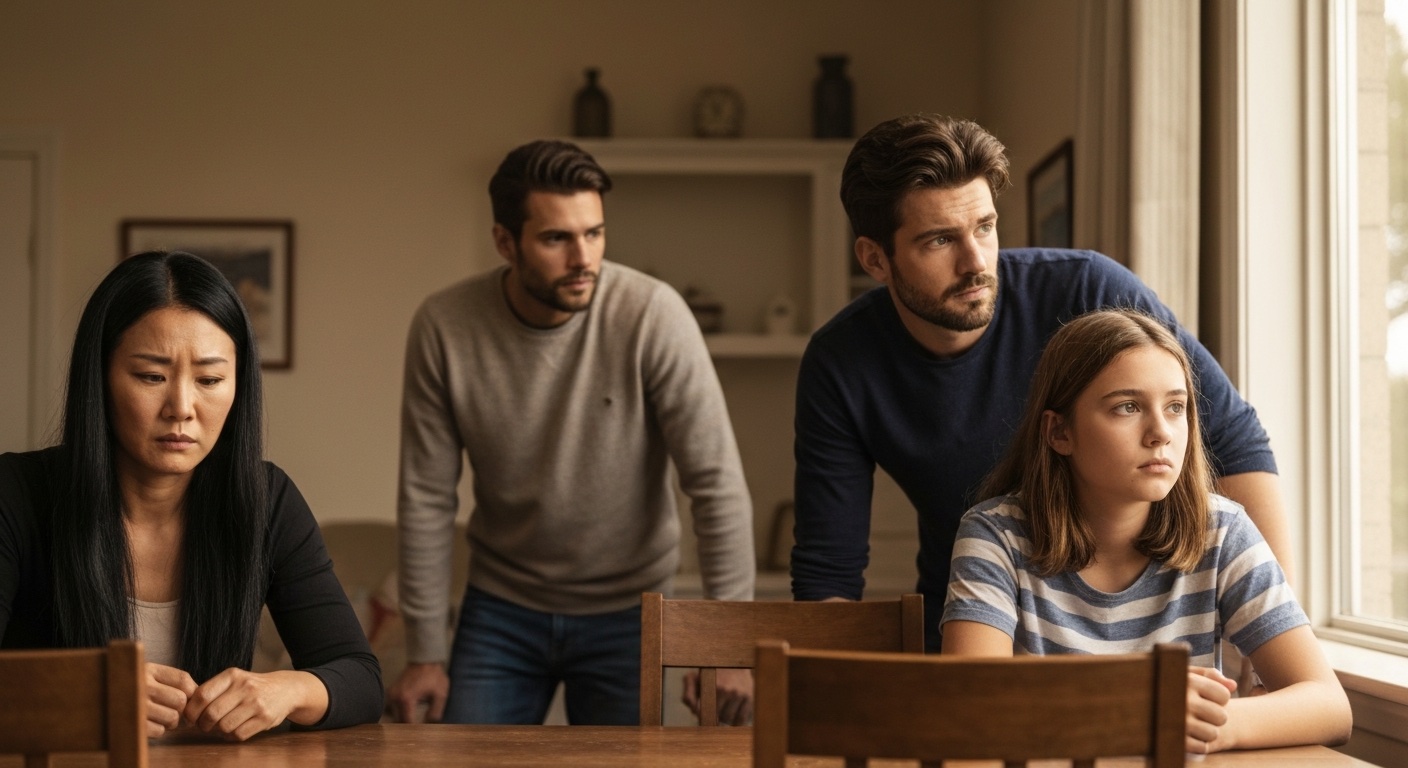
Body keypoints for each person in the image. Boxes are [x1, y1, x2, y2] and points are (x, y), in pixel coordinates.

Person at [790, 114, 1287, 648]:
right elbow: (828, 579)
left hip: (1135, 638)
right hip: (970, 628)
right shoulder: (841, 362)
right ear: (875, 258)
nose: (975, 262)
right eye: (938, 241)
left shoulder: (1089, 290)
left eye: (985, 226)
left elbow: (1234, 442)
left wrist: (1263, 646)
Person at [388, 139, 755, 726]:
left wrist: (726, 643)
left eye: (595, 233)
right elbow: (427, 498)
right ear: (506, 243)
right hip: (502, 605)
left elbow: (716, 484)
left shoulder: (653, 315)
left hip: (632, 610)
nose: (584, 258)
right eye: (557, 238)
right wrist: (425, 652)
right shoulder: (444, 326)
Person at [0, 251, 383, 740]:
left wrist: (287, 690)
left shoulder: (265, 499)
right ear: (99, 378)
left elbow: (361, 678)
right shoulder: (17, 495)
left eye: (210, 380)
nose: (182, 408)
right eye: (151, 376)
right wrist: (88, 690)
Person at [941, 309, 1351, 753]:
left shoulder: (1222, 531)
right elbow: (971, 704)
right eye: (1127, 407)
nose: (1161, 433)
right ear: (1059, 432)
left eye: (1176, 407)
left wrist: (1212, 724)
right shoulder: (994, 536)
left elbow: (1330, 706)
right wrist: (1138, 705)